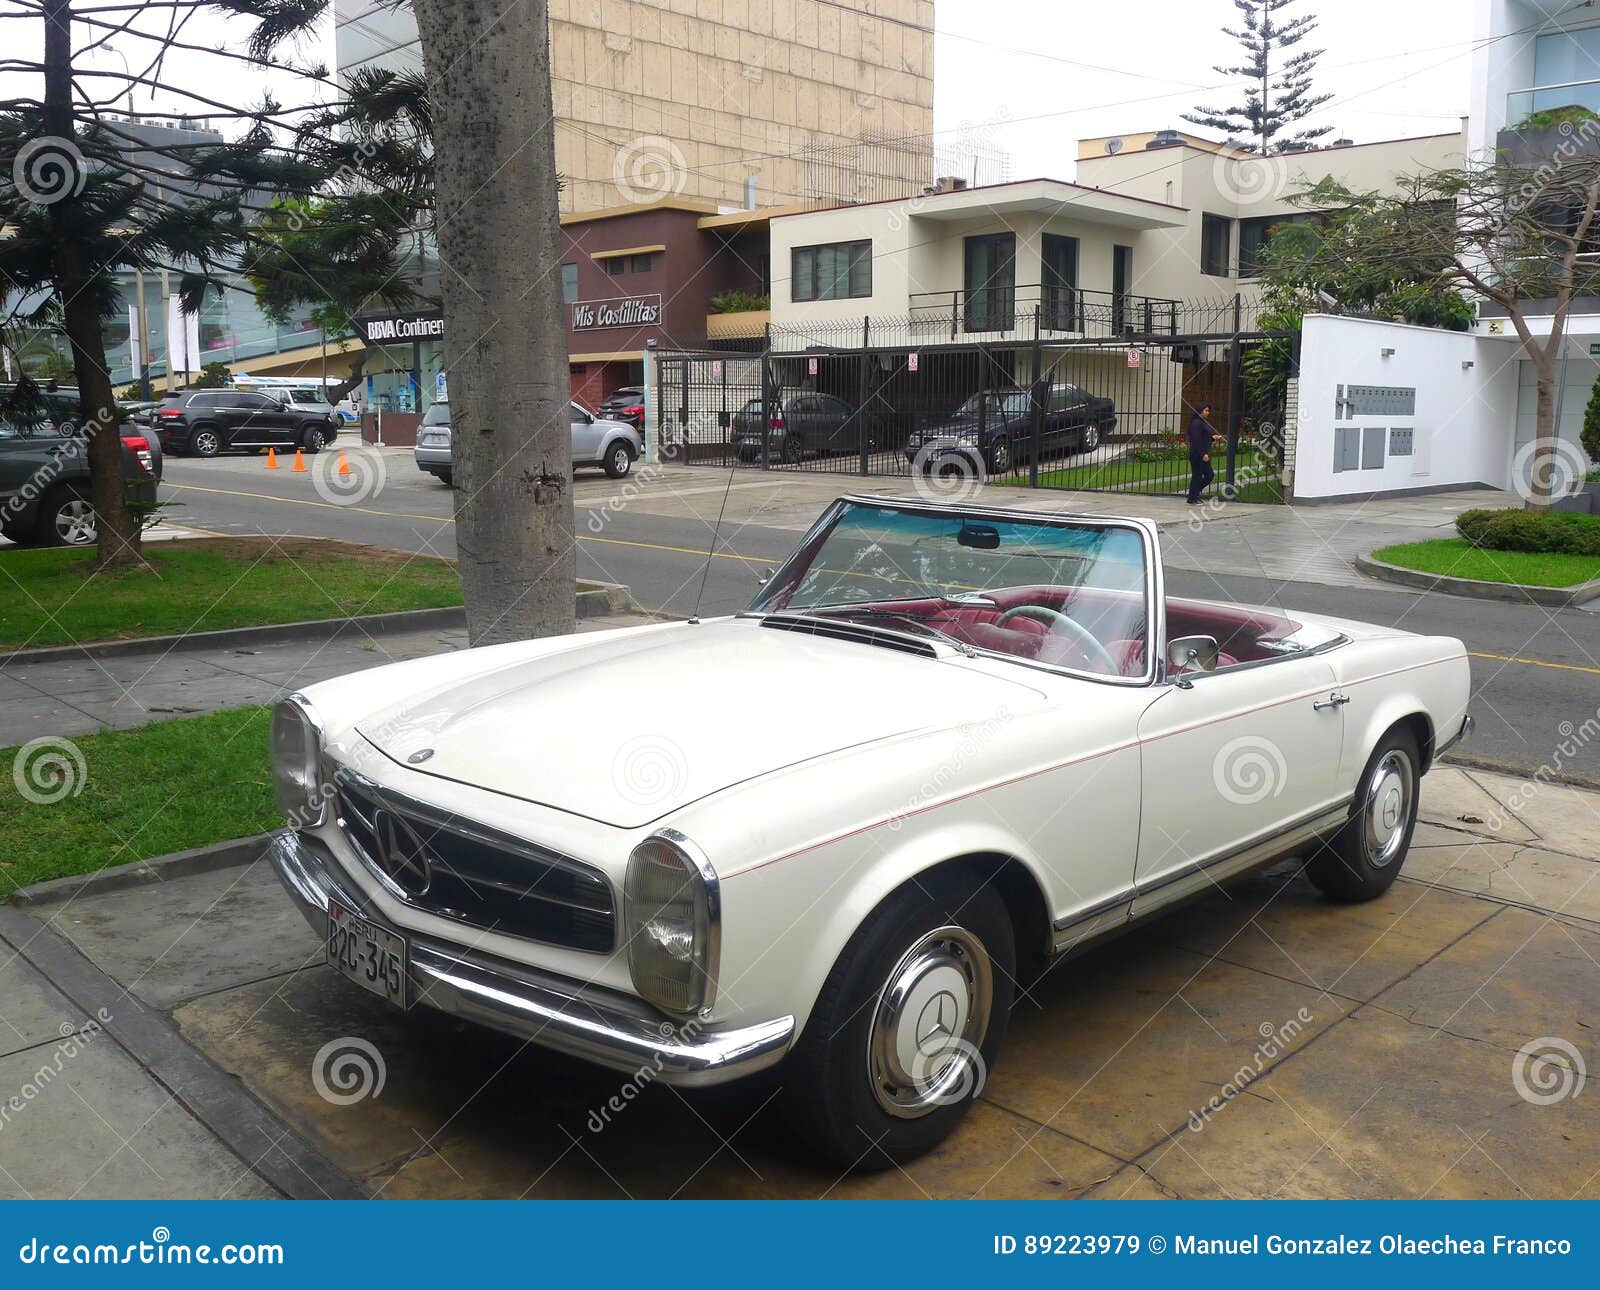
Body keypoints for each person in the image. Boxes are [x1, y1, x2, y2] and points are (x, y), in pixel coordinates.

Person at [1186, 403, 1216, 505]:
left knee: (1208, 475)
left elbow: (1204, 437)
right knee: (1198, 475)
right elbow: (1196, 440)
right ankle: (1193, 497)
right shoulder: (1196, 423)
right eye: (1206, 410)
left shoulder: (1202, 422)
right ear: (1200, 411)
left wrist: (1213, 438)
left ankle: (1193, 495)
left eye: (1208, 410)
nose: (1208, 412)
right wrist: (1203, 454)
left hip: (1202, 454)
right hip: (1197, 454)